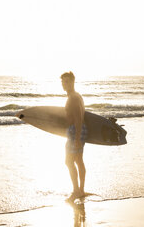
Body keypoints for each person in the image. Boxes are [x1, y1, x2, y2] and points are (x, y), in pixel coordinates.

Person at [61, 71, 87, 201]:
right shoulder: (77, 96)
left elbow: (78, 118)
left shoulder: (73, 98)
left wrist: (76, 138)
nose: (64, 84)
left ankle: (76, 191)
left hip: (75, 131)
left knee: (69, 161)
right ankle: (80, 190)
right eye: (63, 81)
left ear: (72, 82)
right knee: (78, 161)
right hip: (78, 131)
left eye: (67, 81)